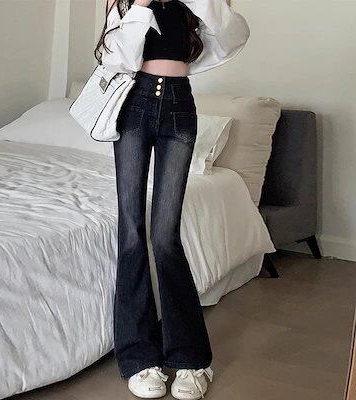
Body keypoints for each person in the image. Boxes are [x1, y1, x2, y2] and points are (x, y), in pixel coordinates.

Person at [94, 0, 250, 398]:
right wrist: (140, 6)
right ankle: (139, 358)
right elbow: (118, 58)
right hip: (134, 104)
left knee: (165, 236)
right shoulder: (125, 4)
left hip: (180, 106)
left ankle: (190, 359)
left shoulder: (193, 6)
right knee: (131, 231)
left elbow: (233, 38)